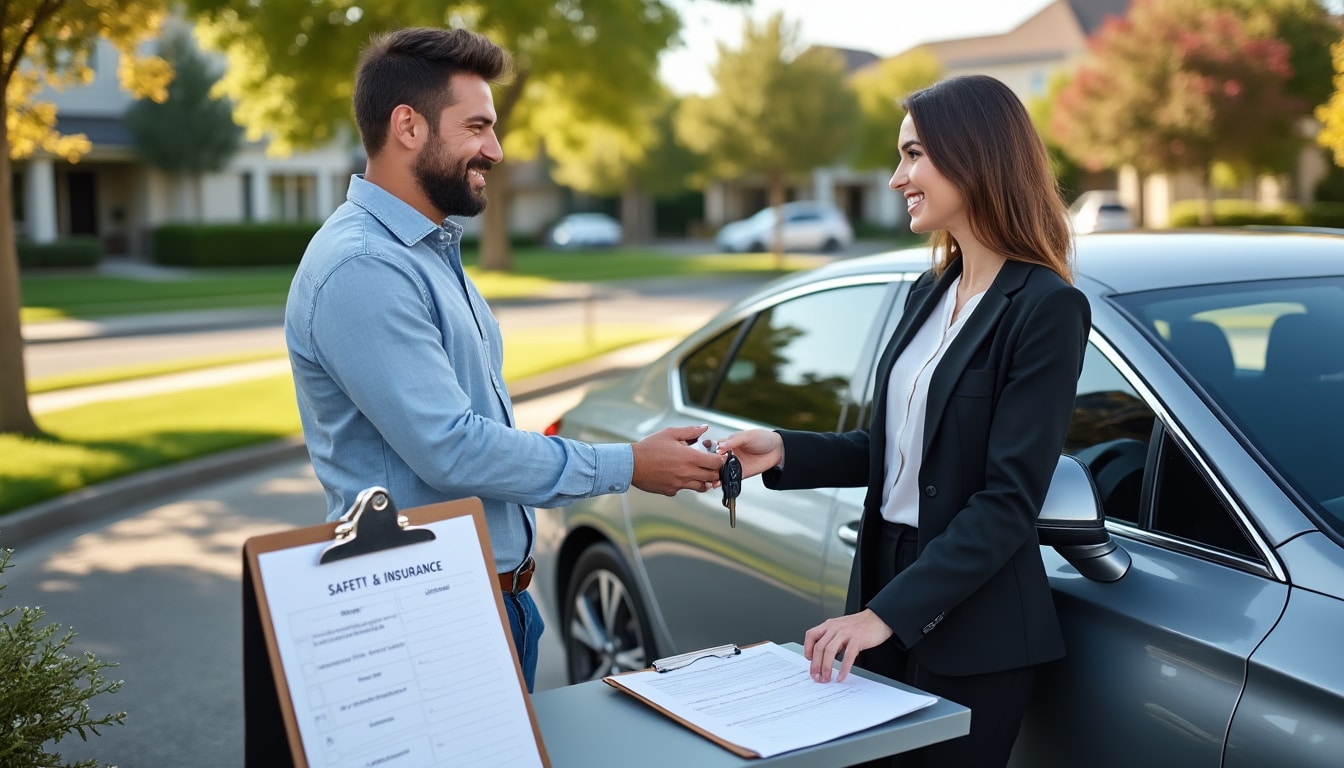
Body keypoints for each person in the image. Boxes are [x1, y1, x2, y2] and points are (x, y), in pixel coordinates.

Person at [284, 27, 724, 691]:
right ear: (408, 126)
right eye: (478, 126)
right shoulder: (365, 267)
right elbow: (452, 449)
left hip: (492, 600)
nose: (495, 148)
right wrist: (629, 464)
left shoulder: (424, 251)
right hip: (424, 613)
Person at [717, 74, 1090, 766]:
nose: (897, 178)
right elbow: (899, 450)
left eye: (914, 155)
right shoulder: (930, 289)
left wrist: (883, 615)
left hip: (976, 628)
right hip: (886, 587)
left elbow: (1008, 501)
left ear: (974, 154)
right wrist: (785, 450)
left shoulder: (1045, 307)